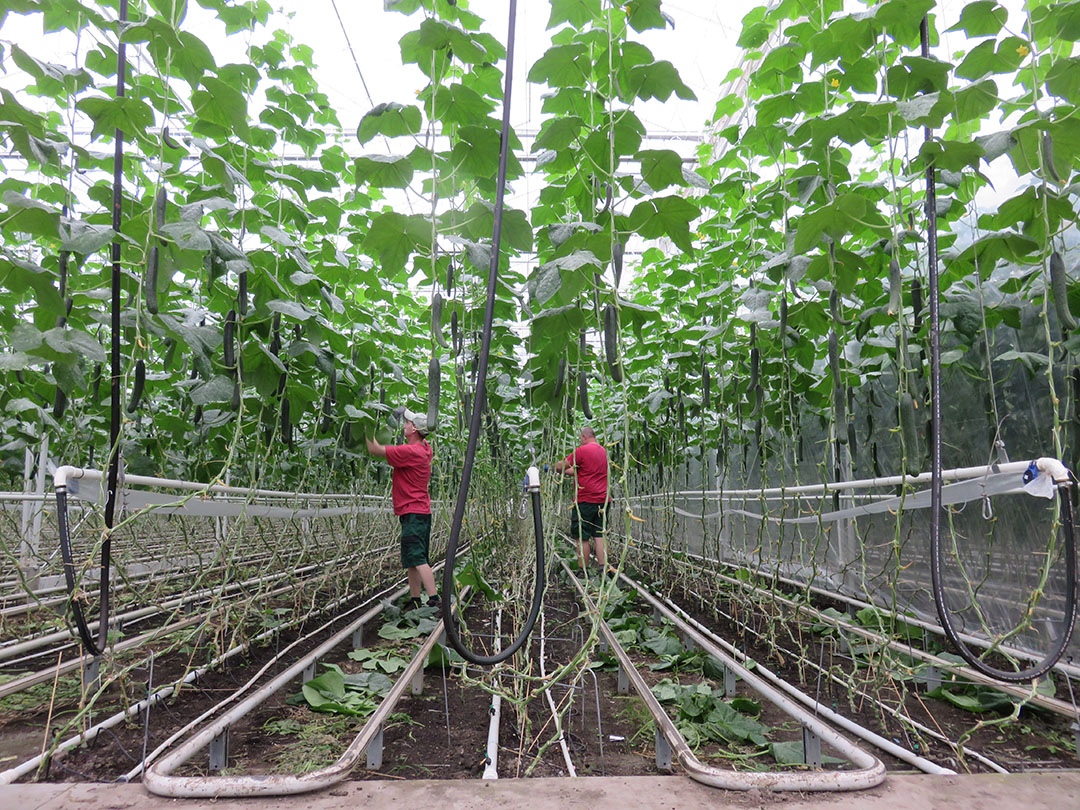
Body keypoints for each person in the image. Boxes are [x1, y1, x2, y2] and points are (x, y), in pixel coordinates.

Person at [366, 408, 439, 610]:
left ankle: (434, 599)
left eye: (407, 423)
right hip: (418, 511)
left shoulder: (411, 452)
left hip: (413, 512)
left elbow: (374, 449)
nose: (404, 425)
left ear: (414, 429)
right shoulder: (424, 448)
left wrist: (364, 422)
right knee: (412, 558)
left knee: (418, 558)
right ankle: (415, 599)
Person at [555, 426, 610, 573]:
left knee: (582, 536)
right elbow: (579, 471)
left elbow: (562, 466)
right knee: (600, 534)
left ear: (584, 437)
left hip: (585, 500)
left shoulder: (582, 451)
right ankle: (603, 568)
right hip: (603, 500)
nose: (580, 441)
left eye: (580, 438)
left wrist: (553, 467)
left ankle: (583, 570)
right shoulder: (603, 451)